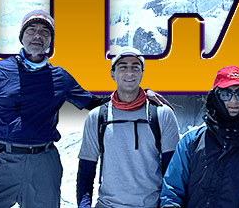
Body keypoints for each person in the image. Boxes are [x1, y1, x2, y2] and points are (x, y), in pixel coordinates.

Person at [0, 11, 166, 208]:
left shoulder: (60, 77)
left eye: (45, 32)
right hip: (1, 162)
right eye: (31, 30)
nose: (37, 35)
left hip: (43, 162)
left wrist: (139, 93)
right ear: (21, 37)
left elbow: (94, 103)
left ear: (50, 41)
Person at [76, 47, 180, 208]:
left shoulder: (162, 115)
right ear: (112, 73)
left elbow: (172, 171)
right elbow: (86, 170)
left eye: (135, 67)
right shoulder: (97, 117)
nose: (129, 72)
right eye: (123, 66)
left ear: (142, 72)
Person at [160, 66, 239, 208]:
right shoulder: (192, 141)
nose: (233, 101)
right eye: (225, 94)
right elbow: (172, 192)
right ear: (215, 96)